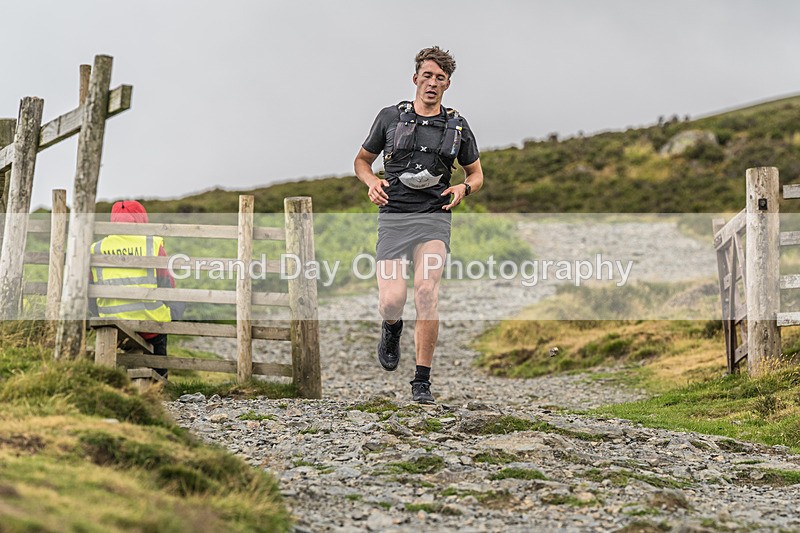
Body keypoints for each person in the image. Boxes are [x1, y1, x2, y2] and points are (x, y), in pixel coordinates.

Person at [354, 46, 484, 404]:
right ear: (415, 79)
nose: (432, 83)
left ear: (447, 84)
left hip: (434, 218)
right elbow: (362, 161)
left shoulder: (457, 125)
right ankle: (391, 328)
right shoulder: (389, 118)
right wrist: (371, 183)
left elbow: (476, 173)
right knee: (392, 301)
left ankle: (421, 382)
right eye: (427, 76)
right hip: (394, 217)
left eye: (439, 78)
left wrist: (464, 187)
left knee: (427, 293)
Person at [89, 200, 183, 378]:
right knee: (167, 318)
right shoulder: (153, 245)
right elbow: (167, 284)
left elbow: (88, 289)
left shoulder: (96, 248)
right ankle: (158, 378)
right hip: (149, 325)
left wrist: (98, 314)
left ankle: (110, 379)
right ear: (142, 218)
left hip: (110, 321)